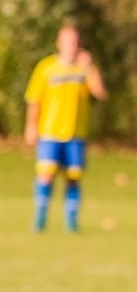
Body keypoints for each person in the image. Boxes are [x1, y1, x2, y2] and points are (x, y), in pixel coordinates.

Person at [25, 24, 107, 233]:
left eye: (75, 42)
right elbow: (34, 99)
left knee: (73, 178)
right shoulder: (46, 68)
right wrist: (31, 126)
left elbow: (100, 93)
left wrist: (90, 67)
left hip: (76, 134)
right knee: (46, 175)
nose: (72, 46)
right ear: (59, 43)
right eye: (68, 42)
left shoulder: (84, 70)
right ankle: (40, 218)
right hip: (50, 132)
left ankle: (71, 222)